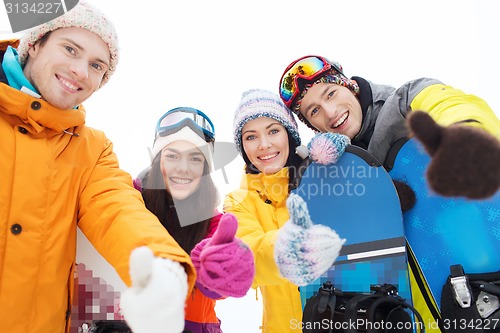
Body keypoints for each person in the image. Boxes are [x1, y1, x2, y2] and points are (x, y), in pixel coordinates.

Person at [0, 3, 195, 333]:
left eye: (96, 65)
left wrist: (163, 268)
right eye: (70, 49)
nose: (80, 71)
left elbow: (116, 209)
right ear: (33, 43)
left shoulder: (91, 149)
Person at [278, 55, 500, 200]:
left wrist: (464, 134)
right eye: (314, 111)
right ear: (312, 126)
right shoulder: (332, 167)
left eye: (331, 94)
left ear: (350, 87)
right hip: (420, 269)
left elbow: (447, 103)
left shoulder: (405, 101)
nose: (330, 112)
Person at [223, 89, 345, 333]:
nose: (264, 145)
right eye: (250, 137)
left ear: (289, 135)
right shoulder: (238, 202)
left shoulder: (319, 178)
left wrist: (346, 162)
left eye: (273, 131)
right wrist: (285, 250)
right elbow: (246, 259)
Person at [133, 107, 255, 333]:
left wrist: (222, 271)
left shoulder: (215, 224)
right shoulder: (131, 201)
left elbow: (216, 289)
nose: (183, 168)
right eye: (172, 156)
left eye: (195, 158)